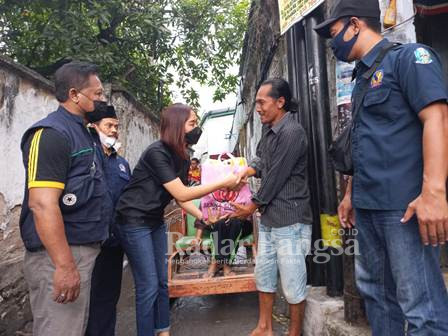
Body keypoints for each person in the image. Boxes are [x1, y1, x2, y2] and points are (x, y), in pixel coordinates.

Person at [314, 1, 448, 335]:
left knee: (421, 305)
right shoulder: (361, 78)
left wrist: (433, 193)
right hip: (368, 206)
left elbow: (437, 119)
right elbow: (363, 140)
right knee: (376, 295)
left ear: (355, 25)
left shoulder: (410, 59)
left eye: (334, 34)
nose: (332, 45)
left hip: (404, 208)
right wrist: (349, 194)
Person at [115, 103, 241, 336]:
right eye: (192, 123)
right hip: (133, 221)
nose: (197, 128)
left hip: (154, 221)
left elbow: (179, 197)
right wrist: (223, 182)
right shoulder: (157, 153)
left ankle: (163, 331)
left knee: (163, 283)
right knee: (148, 286)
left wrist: (204, 217)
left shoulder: (182, 157)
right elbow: (183, 194)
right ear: (177, 126)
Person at [19, 61, 112, 336]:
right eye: (97, 94)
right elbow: (42, 204)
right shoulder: (50, 135)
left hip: (82, 252)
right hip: (59, 257)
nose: (102, 99)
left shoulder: (84, 133)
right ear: (74, 95)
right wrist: (64, 265)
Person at [231, 78, 313, 336]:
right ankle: (265, 327)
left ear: (280, 102)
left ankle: (294, 332)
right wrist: (248, 170)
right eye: (256, 102)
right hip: (269, 219)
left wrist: (250, 206)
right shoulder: (269, 130)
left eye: (261, 102)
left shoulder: (292, 133)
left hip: (290, 218)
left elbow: (276, 175)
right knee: (264, 276)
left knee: (292, 282)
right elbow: (262, 160)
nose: (257, 108)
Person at [85, 105, 131, 336]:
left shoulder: (121, 163)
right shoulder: (86, 157)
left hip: (114, 243)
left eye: (116, 126)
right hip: (89, 242)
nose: (114, 130)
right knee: (84, 301)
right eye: (108, 126)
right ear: (94, 128)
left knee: (108, 298)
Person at [193, 207, 253, 278]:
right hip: (217, 224)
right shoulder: (208, 196)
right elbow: (202, 216)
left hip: (241, 224)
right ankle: (220, 263)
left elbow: (251, 208)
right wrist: (198, 237)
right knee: (219, 223)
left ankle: (219, 263)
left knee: (234, 222)